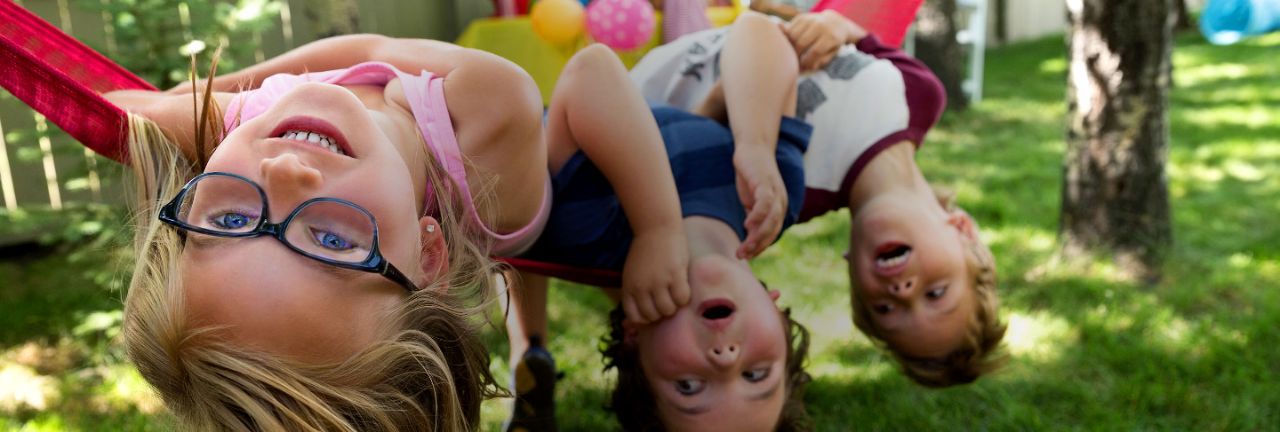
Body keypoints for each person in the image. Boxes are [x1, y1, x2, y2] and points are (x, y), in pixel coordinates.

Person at [104, 34, 687, 431]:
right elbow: (374, 51)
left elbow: (112, 109)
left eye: (229, 221)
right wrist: (661, 231)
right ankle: (533, 339)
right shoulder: (489, 111)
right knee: (588, 87)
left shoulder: (250, 137)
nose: (283, 171)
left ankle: (527, 349)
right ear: (427, 252)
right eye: (333, 240)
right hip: (533, 182)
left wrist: (212, 91)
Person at [630, 10, 1007, 387]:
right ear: (963, 231)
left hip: (641, 97)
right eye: (936, 293)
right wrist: (839, 26)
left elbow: (691, 145)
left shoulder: (787, 189)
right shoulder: (922, 94)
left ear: (852, 270)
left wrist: (740, 93)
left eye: (885, 308)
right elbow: (852, 35)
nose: (903, 291)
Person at [502, 14, 813, 431]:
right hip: (671, 107)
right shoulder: (772, 197)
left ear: (634, 342)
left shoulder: (588, 229)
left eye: (689, 386)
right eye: (757, 375)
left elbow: (592, 71)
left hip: (512, 139)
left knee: (517, 242)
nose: (727, 359)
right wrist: (755, 141)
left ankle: (528, 347)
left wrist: (658, 228)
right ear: (777, 315)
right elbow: (759, 31)